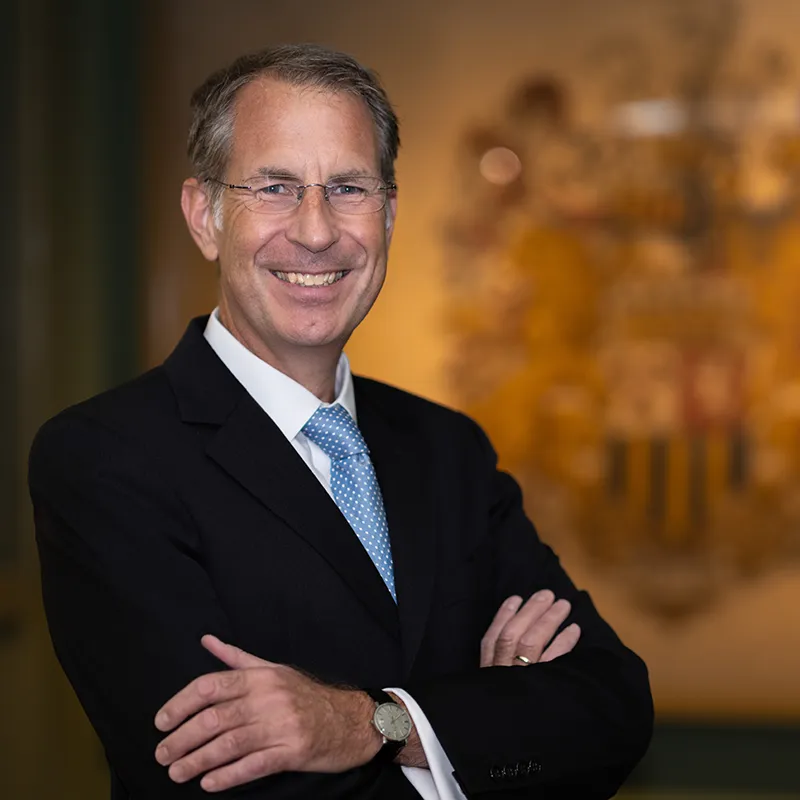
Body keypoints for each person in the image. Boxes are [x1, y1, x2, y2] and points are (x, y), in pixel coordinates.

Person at [29, 44, 653, 799]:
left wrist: (371, 725)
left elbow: (614, 708)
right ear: (204, 217)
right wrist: (487, 723)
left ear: (388, 214)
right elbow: (223, 783)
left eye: (349, 188)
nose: (317, 231)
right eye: (275, 187)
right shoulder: (105, 460)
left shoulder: (447, 449)